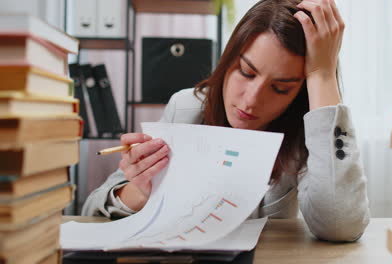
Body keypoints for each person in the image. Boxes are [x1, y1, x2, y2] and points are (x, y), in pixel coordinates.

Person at [82, 0, 370, 242]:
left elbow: (340, 225)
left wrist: (322, 74)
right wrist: (139, 191)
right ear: (228, 60)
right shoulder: (186, 109)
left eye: (280, 88)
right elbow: (91, 211)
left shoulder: (304, 131)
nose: (251, 100)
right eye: (246, 72)